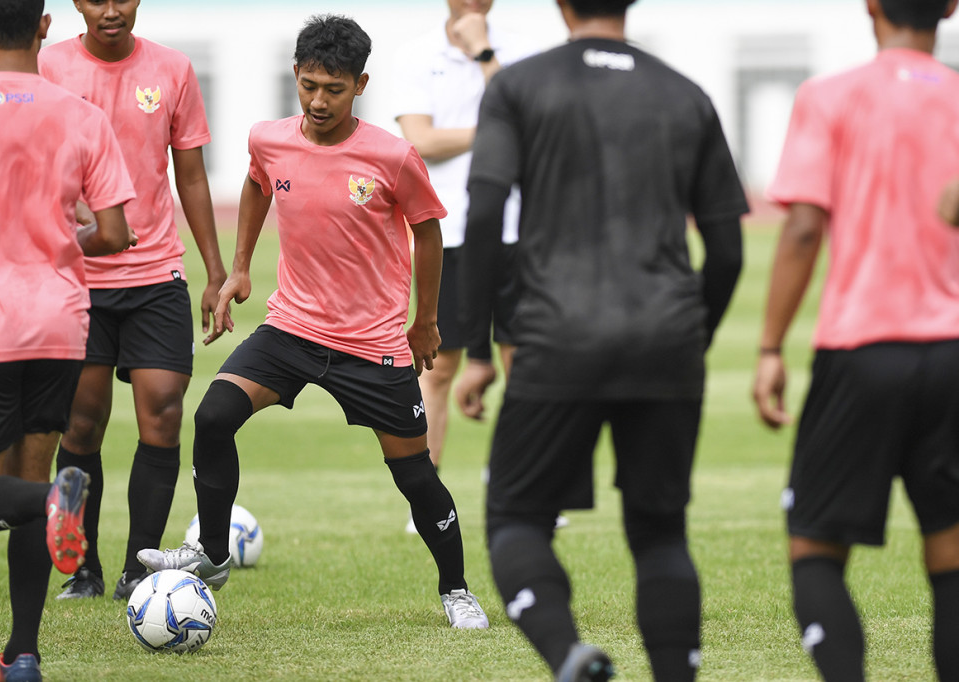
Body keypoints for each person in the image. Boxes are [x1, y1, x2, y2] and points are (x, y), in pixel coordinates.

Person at [137, 13, 490, 630]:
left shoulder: (393, 155)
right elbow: (255, 186)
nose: (318, 100)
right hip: (292, 328)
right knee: (213, 415)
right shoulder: (269, 139)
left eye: (334, 88)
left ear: (361, 85)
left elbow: (428, 233)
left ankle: (456, 590)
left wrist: (425, 320)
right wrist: (240, 267)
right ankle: (213, 554)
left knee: (414, 472)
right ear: (295, 77)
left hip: (372, 341)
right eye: (308, 85)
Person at [458, 0, 747, 678]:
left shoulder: (517, 87)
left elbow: (484, 216)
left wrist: (476, 351)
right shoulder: (687, 95)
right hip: (669, 338)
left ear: (562, 4)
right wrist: (689, 338)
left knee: (517, 520)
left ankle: (569, 655)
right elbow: (728, 250)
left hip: (558, 337)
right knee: (659, 531)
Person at [753, 1, 959, 679]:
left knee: (814, 549)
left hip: (862, 349)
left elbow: (806, 228)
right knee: (951, 555)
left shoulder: (831, 95)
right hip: (954, 352)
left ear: (871, 4)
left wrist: (771, 347)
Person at [0, 0, 137, 678]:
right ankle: (22, 653)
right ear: (47, 26)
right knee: (31, 485)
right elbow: (113, 235)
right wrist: (61, 243)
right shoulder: (83, 116)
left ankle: (55, 500)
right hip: (59, 324)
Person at [38, 0, 228, 601]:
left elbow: (190, 175)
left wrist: (216, 269)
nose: (111, 9)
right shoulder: (49, 68)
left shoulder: (172, 70)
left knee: (164, 413)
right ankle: (84, 570)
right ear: (76, 4)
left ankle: (136, 571)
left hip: (155, 274)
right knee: (82, 423)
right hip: (80, 277)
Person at [391, 0, 538, 534]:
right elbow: (421, 142)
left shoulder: (520, 49)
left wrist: (484, 52)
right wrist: (498, 132)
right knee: (439, 368)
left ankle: (524, 493)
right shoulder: (415, 56)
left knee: (524, 362)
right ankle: (427, 500)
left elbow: (531, 125)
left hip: (520, 229)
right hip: (448, 230)